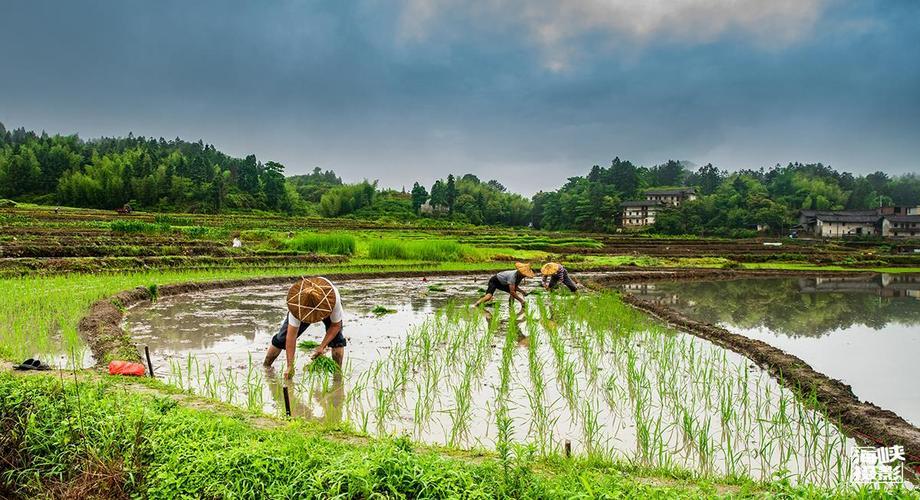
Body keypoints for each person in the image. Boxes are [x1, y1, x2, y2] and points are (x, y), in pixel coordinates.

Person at [263, 277, 346, 379]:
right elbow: (291, 337)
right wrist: (290, 366)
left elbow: (335, 326)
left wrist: (322, 347)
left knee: (337, 340)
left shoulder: (332, 301)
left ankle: (337, 375)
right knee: (281, 338)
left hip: (326, 306)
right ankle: (266, 367)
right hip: (303, 310)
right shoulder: (298, 305)